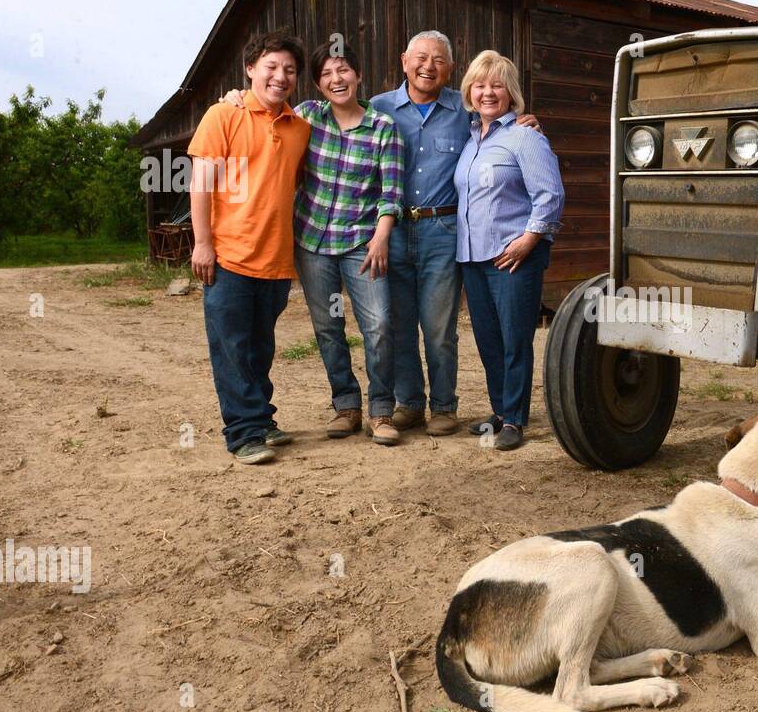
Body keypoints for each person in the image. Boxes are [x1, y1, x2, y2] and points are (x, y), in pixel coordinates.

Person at [369, 31, 539, 437]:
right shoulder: (377, 109)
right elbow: (331, 114)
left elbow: (499, 130)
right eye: (421, 58)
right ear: (403, 60)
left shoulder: (463, 114)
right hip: (392, 229)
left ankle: (443, 406)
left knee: (440, 326)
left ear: (450, 68)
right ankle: (409, 402)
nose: (429, 66)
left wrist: (526, 121)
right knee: (398, 323)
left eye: (439, 59)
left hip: (442, 230)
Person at [189, 30, 311, 464]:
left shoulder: (300, 129)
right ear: (250, 70)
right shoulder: (223, 116)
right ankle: (243, 433)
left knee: (261, 348)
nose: (280, 76)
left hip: (276, 259)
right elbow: (201, 184)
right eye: (271, 67)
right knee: (232, 348)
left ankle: (261, 417)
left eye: (290, 70)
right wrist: (202, 243)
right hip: (228, 256)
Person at [291, 40, 405, 444]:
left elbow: (391, 192)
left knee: (378, 324)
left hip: (361, 242)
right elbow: (263, 121)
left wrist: (381, 237)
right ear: (319, 85)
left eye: (342, 71)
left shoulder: (382, 128)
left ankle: (381, 412)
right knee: (328, 327)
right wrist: (235, 98)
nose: (335, 79)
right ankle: (346, 406)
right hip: (312, 243)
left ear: (357, 76)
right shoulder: (306, 117)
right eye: (326, 74)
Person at [454, 50, 565, 450]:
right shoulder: (470, 141)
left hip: (515, 255)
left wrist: (528, 240)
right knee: (487, 339)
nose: (487, 92)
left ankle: (515, 420)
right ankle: (500, 410)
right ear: (469, 91)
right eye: (480, 85)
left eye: (497, 85)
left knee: (515, 338)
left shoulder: (525, 136)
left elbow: (549, 195)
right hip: (472, 257)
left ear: (511, 92)